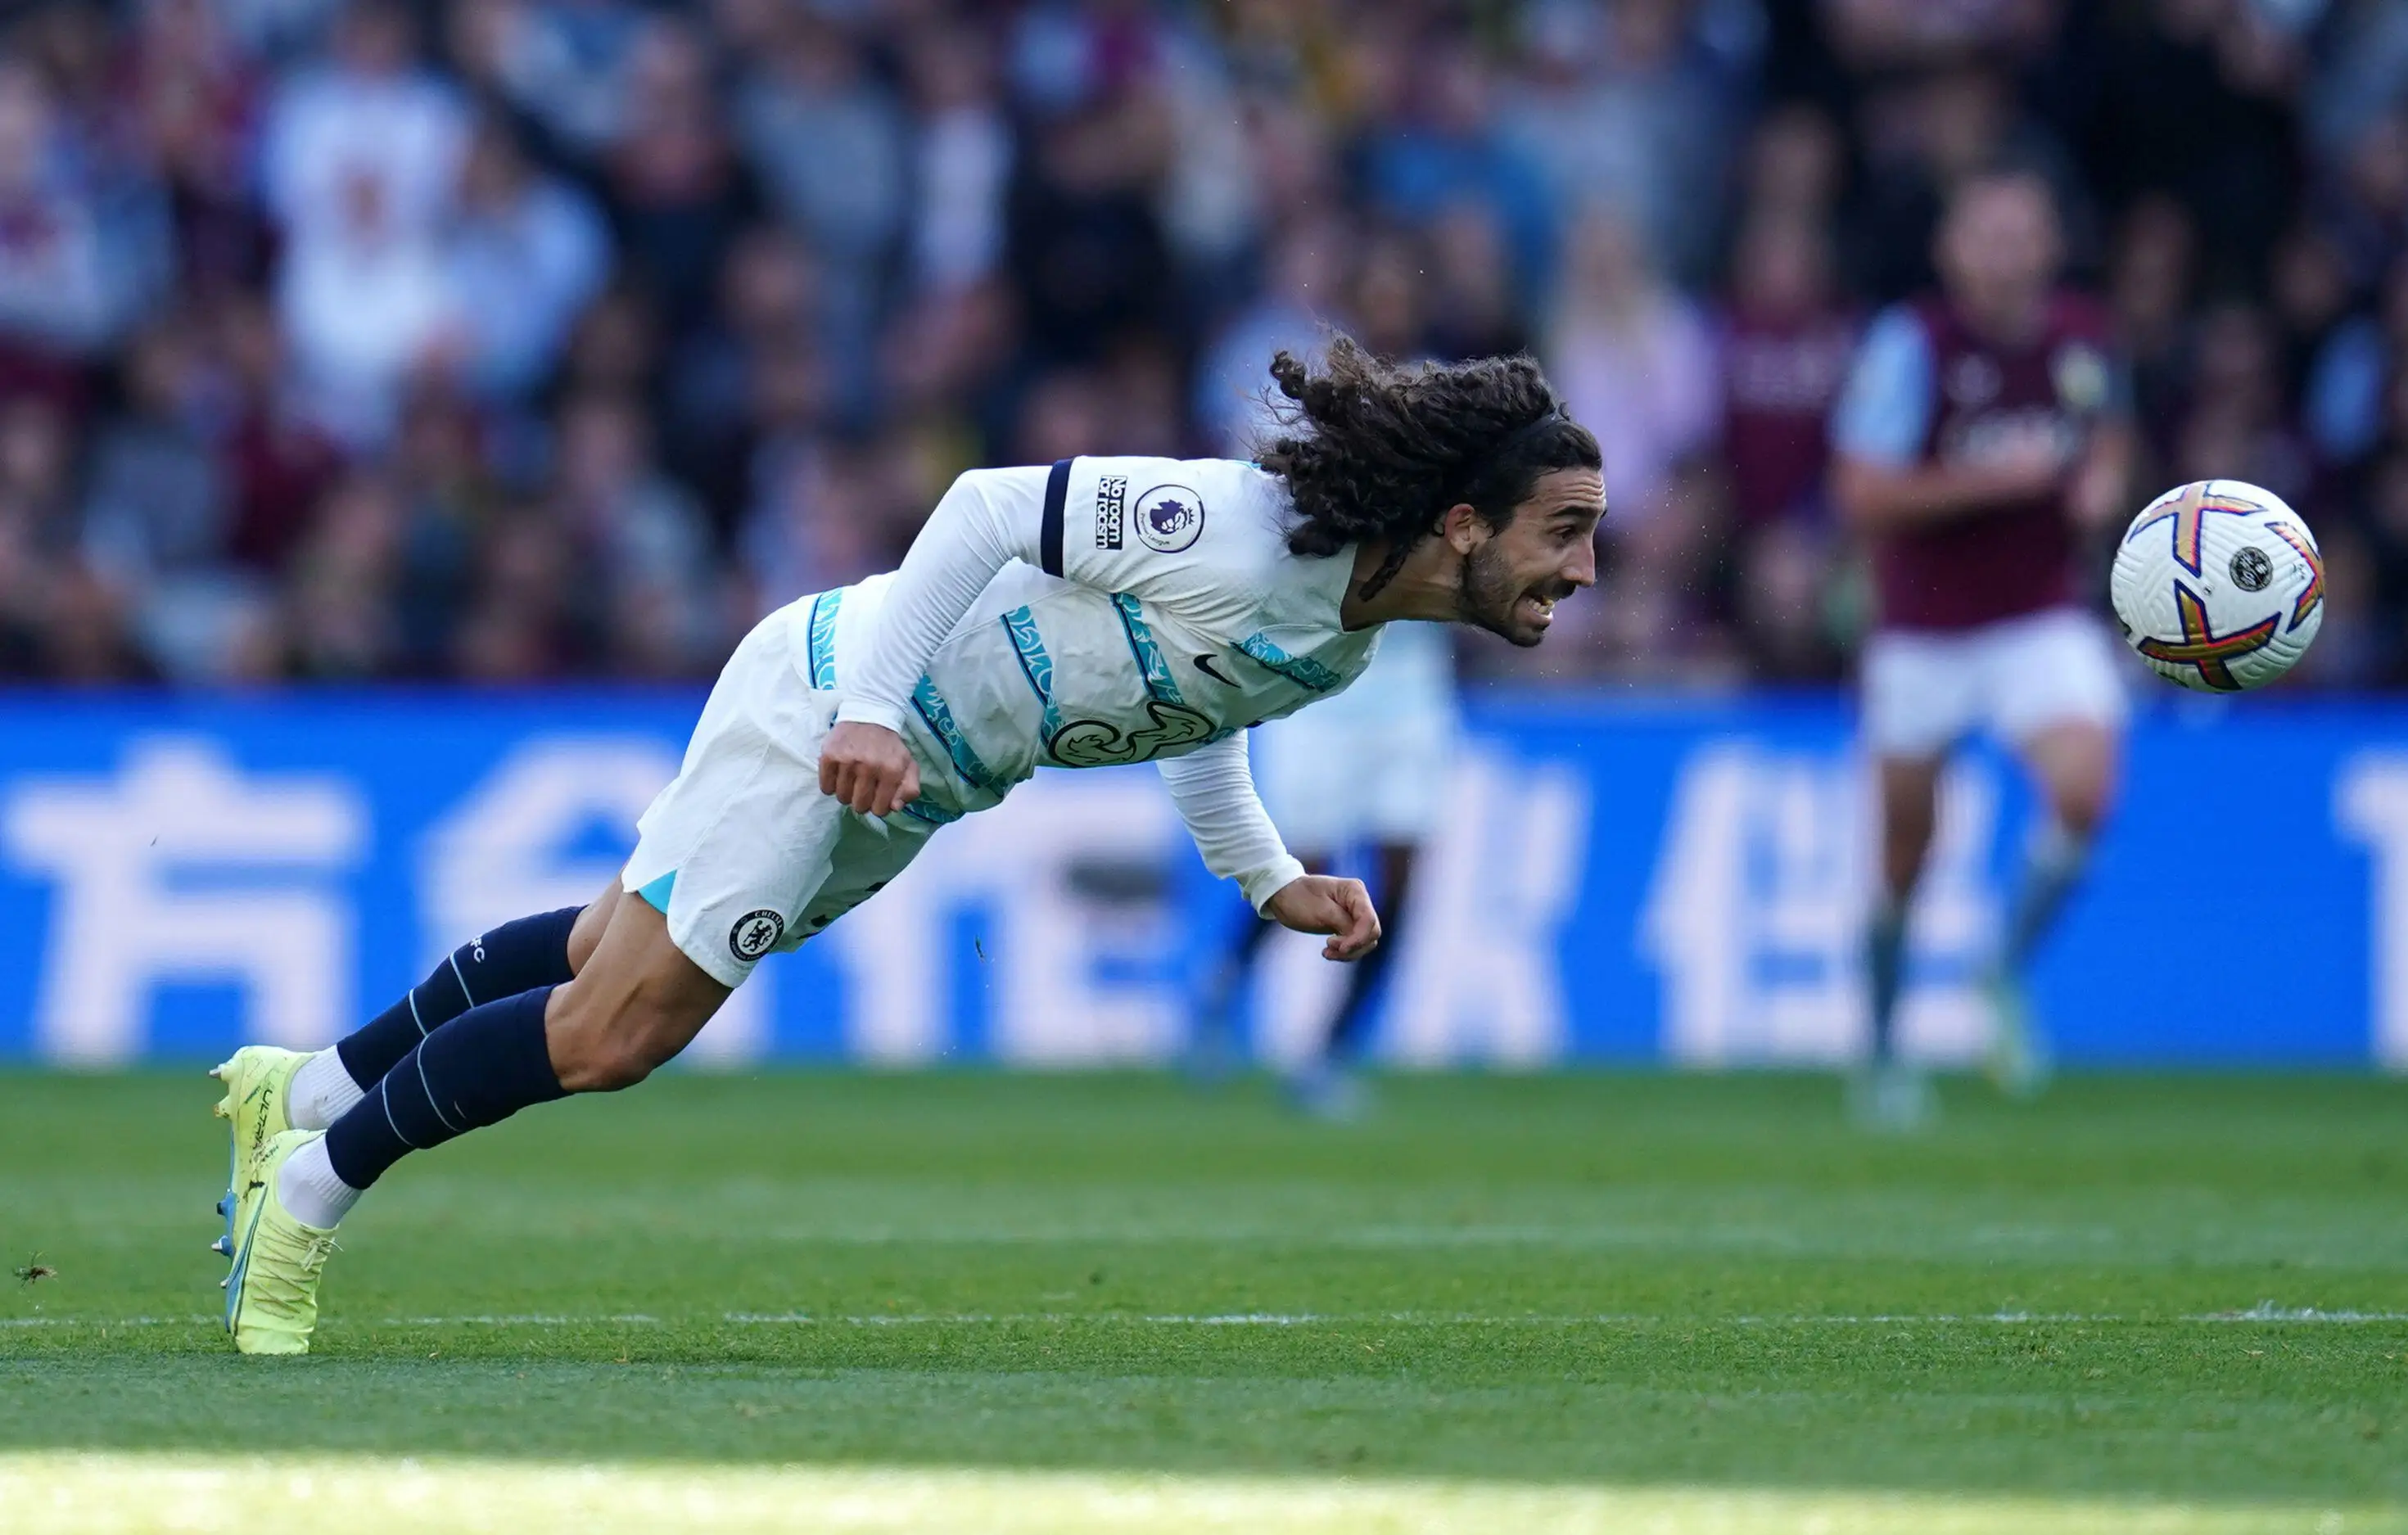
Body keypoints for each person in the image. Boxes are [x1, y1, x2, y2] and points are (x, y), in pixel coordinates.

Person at [206, 336, 1605, 1353]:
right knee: (614, 1031)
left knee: (601, 949)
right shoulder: (1235, 528)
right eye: (1566, 532)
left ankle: (310, 1086)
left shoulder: (1344, 644)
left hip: (916, 783)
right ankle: (307, 1198)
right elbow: (990, 504)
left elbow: (1199, 714)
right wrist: (872, 708)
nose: (1583, 571)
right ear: (1465, 522)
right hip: (840, 707)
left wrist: (1267, 875)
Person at [1827, 166, 2135, 1130]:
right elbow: (1863, 494)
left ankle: (2000, 965)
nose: (2005, 255)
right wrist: (1993, 480)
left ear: (2049, 246)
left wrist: (2100, 483)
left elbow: (2107, 436)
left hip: (2037, 615)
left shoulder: (2083, 336)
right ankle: (1880, 1051)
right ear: (1950, 250)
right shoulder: (1911, 344)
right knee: (1904, 856)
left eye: (2022, 235)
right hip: (1920, 631)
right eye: (1986, 235)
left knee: (2085, 790)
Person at [1188, 620, 1458, 1119]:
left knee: (1397, 887)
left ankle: (1328, 1055)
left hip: (1411, 697)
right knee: (1303, 871)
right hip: (1321, 692)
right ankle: (1224, 984)